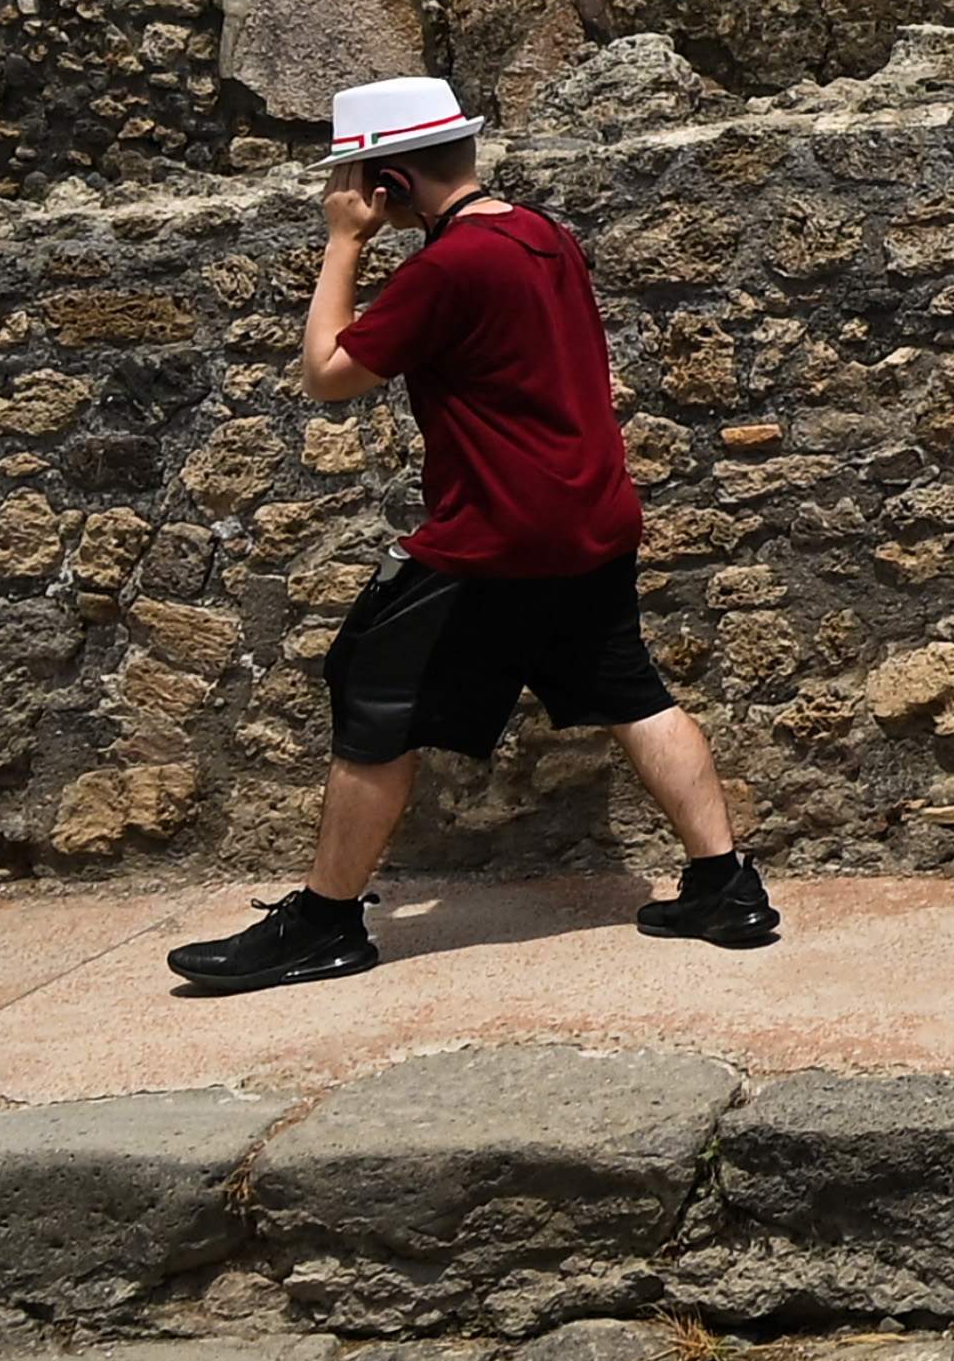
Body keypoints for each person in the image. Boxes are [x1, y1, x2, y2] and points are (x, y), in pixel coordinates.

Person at [170, 77, 779, 995]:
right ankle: (725, 886)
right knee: (627, 687)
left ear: (391, 181)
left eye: (356, 178)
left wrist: (343, 245)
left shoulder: (447, 266)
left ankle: (327, 924)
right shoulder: (540, 233)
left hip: (499, 530)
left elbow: (328, 374)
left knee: (372, 689)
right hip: (590, 513)